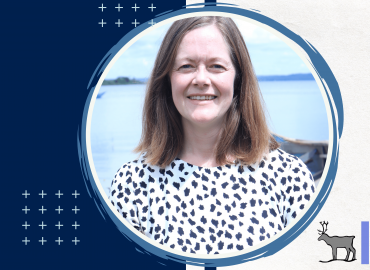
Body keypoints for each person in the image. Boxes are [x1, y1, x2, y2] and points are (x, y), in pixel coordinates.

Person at [110, 16, 315, 255]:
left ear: (238, 78)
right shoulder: (132, 184)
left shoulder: (289, 177)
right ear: (167, 80)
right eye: (186, 66)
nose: (201, 80)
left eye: (216, 66)